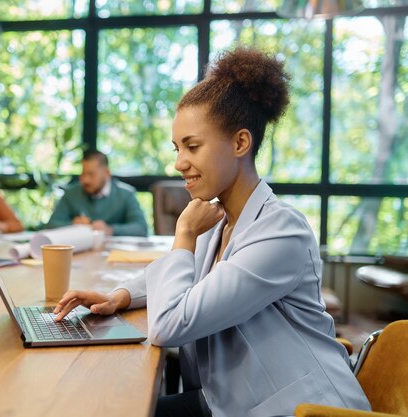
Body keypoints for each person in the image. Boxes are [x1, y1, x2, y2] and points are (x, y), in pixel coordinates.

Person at [52, 47, 371, 417]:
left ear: (240, 143)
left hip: (302, 409)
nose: (178, 163)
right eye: (176, 148)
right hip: (232, 400)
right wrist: (119, 295)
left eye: (192, 146)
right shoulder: (220, 220)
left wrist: (184, 230)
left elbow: (170, 324)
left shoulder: (281, 232)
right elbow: (178, 270)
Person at [46, 150, 148, 237]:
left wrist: (110, 229)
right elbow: (50, 225)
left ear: (107, 173)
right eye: (83, 174)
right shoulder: (71, 193)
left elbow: (141, 228)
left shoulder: (126, 194)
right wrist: (72, 225)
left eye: (91, 174)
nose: (85, 180)